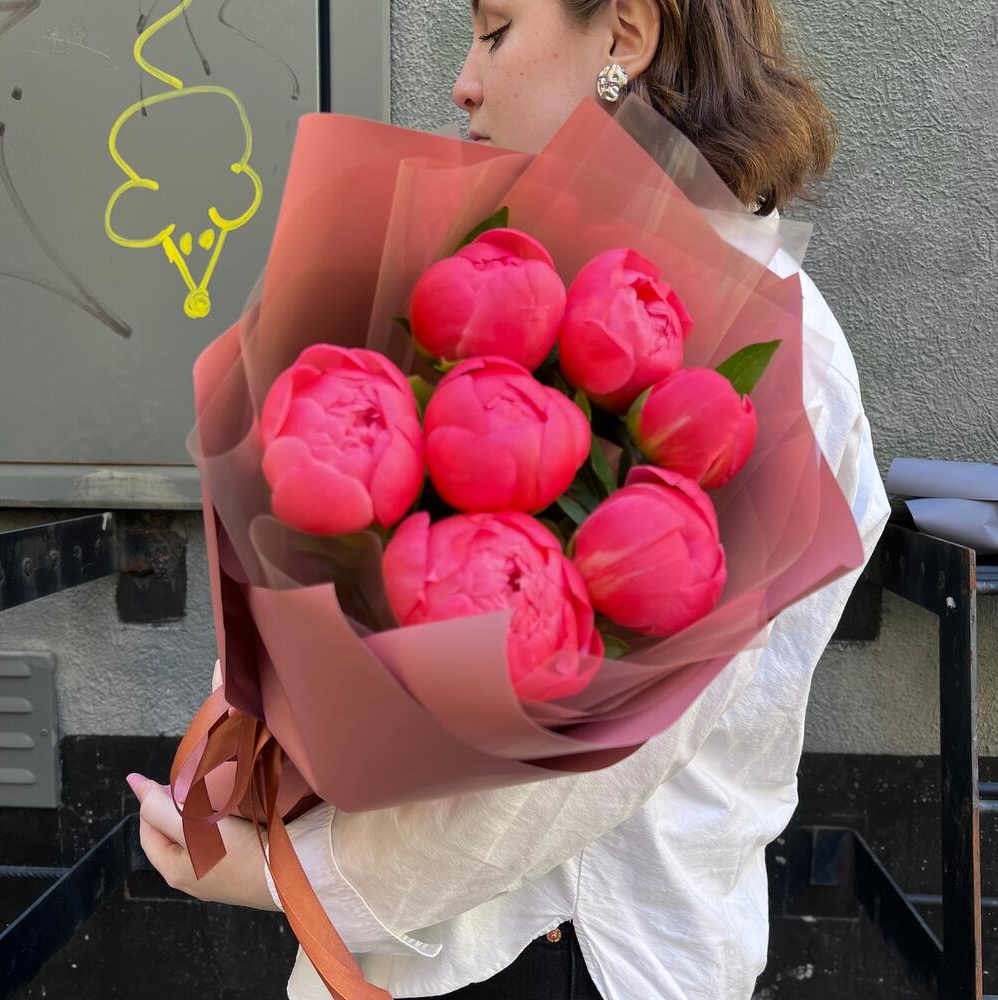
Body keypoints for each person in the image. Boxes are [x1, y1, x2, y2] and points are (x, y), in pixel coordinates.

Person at [126, 1, 892, 997]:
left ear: (623, 36)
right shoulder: (533, 268)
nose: (463, 82)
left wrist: (285, 875)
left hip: (567, 947)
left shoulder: (769, 355)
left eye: (494, 31)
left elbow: (590, 774)